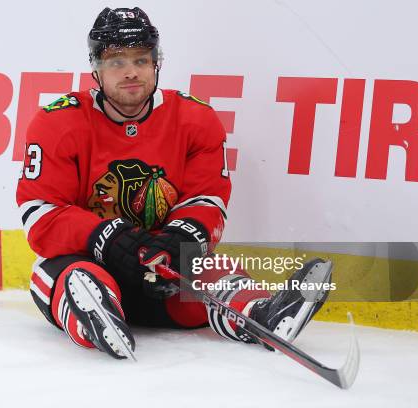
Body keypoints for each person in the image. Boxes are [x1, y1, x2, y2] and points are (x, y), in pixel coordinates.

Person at [16, 7, 332, 359]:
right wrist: (102, 236)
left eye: (141, 59)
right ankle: (97, 314)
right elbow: (40, 212)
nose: (131, 71)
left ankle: (261, 315)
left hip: (161, 270)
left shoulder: (195, 118)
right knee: (69, 274)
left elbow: (207, 198)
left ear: (157, 63)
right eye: (116, 61)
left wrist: (183, 236)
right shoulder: (58, 122)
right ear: (96, 68)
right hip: (90, 259)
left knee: (208, 268)